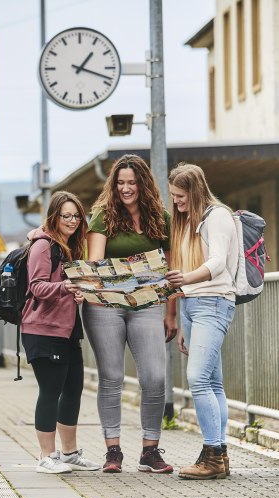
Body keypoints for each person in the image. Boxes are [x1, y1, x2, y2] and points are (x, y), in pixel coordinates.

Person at [83, 154, 177, 474]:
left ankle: (150, 451)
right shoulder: (102, 216)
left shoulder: (161, 218)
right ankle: (113, 451)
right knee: (111, 378)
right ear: (114, 185)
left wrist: (171, 314)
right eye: (121, 183)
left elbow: (171, 269)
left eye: (132, 183)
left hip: (148, 305)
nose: (126, 188)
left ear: (143, 184)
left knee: (154, 377)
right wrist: (130, 273)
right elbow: (96, 264)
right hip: (105, 306)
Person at [165, 163, 238, 480]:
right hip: (192, 305)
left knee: (197, 379)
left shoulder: (218, 216)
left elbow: (218, 263)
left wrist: (185, 279)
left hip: (213, 302)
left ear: (194, 191)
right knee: (213, 382)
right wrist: (183, 321)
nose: (176, 201)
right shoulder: (188, 222)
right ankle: (218, 455)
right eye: (173, 196)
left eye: (180, 196)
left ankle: (211, 457)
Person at [21, 191, 101, 474]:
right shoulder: (43, 246)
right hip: (43, 329)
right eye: (66, 216)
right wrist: (64, 287)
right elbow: (36, 286)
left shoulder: (69, 247)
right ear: (54, 217)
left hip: (66, 329)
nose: (72, 221)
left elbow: (62, 286)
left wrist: (75, 293)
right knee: (50, 391)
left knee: (73, 389)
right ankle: (46, 456)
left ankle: (69, 454)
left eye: (77, 216)